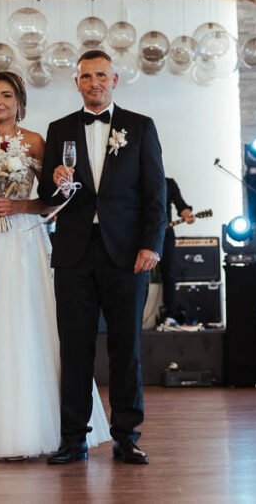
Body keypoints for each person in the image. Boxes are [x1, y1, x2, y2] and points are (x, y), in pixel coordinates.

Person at [0, 71, 110, 461]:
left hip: (23, 239)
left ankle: (35, 426)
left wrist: (19, 206)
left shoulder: (35, 142)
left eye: (6, 95)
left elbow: (50, 199)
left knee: (26, 324)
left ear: (19, 102)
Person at [40, 49, 167, 465]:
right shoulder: (59, 129)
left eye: (100, 75)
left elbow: (155, 192)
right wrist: (56, 180)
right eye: (85, 76)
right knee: (74, 349)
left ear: (114, 80)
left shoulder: (140, 127)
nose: (93, 82)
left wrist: (151, 244)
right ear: (76, 83)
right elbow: (46, 196)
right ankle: (73, 439)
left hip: (127, 254)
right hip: (74, 253)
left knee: (125, 348)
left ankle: (126, 436)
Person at [160, 177, 195, 325]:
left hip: (165, 235)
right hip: (140, 234)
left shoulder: (169, 183)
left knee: (169, 273)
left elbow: (181, 205)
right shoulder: (137, 181)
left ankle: (170, 315)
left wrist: (187, 214)